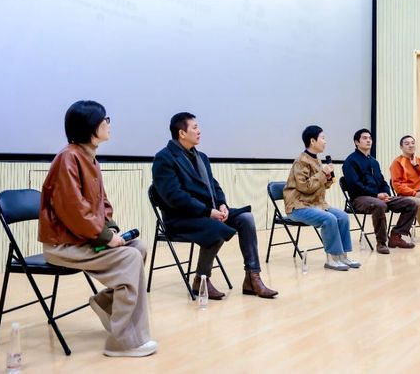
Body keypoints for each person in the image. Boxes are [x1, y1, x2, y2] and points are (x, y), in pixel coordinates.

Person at [38, 100, 157, 357]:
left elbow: (102, 203)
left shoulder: (88, 158)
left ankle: (105, 304)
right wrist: (103, 236)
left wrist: (111, 230)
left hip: (82, 238)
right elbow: (73, 209)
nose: (109, 124)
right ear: (91, 128)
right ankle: (123, 341)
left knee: (137, 247)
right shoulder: (68, 158)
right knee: (129, 258)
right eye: (105, 120)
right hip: (64, 245)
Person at [151, 112, 278, 299]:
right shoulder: (164, 158)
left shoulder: (201, 157)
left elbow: (214, 185)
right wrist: (207, 211)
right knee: (217, 228)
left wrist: (221, 203)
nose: (199, 131)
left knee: (246, 218)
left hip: (207, 212)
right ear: (182, 133)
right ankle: (201, 280)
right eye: (195, 127)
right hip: (181, 218)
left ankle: (252, 277)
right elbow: (174, 196)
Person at [283, 125, 360, 271]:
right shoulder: (301, 161)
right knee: (329, 219)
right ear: (312, 141)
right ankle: (332, 259)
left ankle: (342, 256)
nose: (325, 141)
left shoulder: (317, 160)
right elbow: (304, 187)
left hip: (316, 204)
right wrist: (322, 174)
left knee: (343, 216)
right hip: (298, 206)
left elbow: (319, 186)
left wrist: (328, 178)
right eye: (323, 138)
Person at [342, 129, 418, 252]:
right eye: (365, 138)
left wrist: (386, 193)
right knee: (379, 205)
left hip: (379, 197)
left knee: (411, 204)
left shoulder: (374, 161)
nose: (368, 140)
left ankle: (396, 236)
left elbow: (382, 182)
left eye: (370, 138)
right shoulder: (350, 161)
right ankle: (381, 242)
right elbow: (355, 186)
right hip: (359, 198)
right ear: (356, 142)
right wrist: (376, 195)